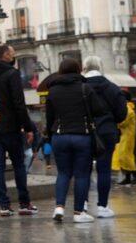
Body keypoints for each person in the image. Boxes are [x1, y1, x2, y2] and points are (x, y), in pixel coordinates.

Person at [43, 58, 110, 224]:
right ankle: (79, 212)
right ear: (78, 70)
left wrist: (51, 137)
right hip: (82, 135)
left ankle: (59, 207)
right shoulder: (85, 87)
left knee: (63, 173)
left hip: (60, 135)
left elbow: (49, 117)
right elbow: (99, 110)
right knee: (81, 175)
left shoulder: (53, 90)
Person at [0, 44, 38, 217]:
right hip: (12, 127)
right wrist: (28, 127)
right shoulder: (11, 74)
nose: (14, 57)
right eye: (12, 54)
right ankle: (24, 203)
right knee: (18, 165)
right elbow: (18, 103)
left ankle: (4, 206)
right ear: (6, 55)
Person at [82, 56, 129, 218]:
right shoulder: (112, 88)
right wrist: (110, 121)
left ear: (84, 68)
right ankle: (103, 206)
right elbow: (122, 114)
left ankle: (82, 205)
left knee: (83, 169)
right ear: (100, 67)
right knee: (104, 169)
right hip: (107, 131)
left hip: (84, 131)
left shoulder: (80, 87)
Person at [115, 92, 136, 186]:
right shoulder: (126, 107)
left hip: (128, 136)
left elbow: (124, 122)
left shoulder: (128, 109)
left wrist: (116, 123)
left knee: (126, 156)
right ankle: (128, 177)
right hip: (124, 135)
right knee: (123, 157)